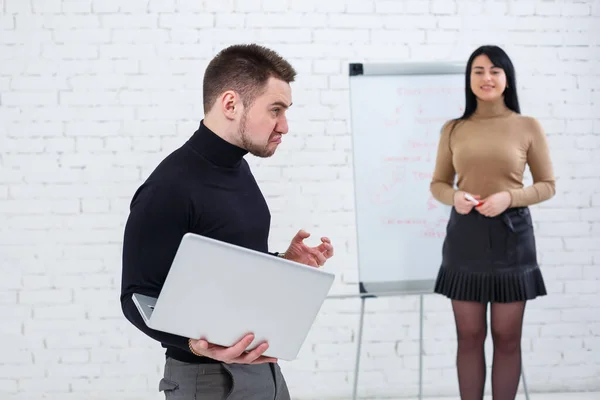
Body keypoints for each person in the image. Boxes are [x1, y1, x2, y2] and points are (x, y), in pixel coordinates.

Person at [120, 43, 334, 400]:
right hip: (207, 379)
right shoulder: (168, 187)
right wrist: (196, 345)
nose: (285, 126)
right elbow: (135, 297)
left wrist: (284, 263)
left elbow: (230, 274)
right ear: (231, 104)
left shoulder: (240, 168)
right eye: (275, 110)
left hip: (265, 373)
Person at [430, 45, 555, 400]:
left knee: (507, 337)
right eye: (478, 71)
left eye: (494, 71)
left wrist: (508, 198)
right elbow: (438, 183)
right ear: (469, 79)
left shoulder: (527, 126)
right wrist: (453, 196)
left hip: (512, 238)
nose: (487, 78)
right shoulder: (454, 129)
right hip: (465, 238)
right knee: (469, 337)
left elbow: (548, 185)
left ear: (507, 78)